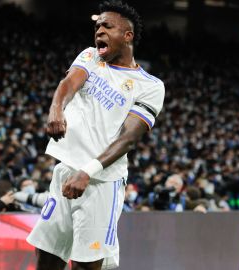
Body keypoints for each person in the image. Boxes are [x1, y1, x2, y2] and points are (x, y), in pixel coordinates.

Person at [26, 1, 165, 270]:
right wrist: (56, 109)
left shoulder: (150, 86)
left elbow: (129, 137)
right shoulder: (91, 56)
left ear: (128, 36)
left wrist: (88, 171)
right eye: (97, 26)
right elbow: (68, 83)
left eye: (107, 26)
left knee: (84, 265)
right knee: (47, 258)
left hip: (101, 183)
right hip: (65, 172)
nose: (99, 30)